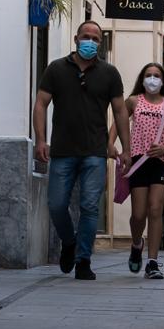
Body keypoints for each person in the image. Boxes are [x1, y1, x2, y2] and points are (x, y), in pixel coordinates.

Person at [33, 20, 131, 281]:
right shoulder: (56, 69)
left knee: (89, 207)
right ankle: (69, 241)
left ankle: (83, 259)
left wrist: (126, 148)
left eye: (96, 38)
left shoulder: (109, 73)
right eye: (86, 36)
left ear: (101, 43)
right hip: (62, 150)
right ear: (76, 39)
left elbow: (120, 111)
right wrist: (40, 140)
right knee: (56, 205)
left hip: (95, 153)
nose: (90, 41)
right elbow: (41, 104)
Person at [108, 63, 164, 279]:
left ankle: (153, 262)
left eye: (156, 75)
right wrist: (111, 144)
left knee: (155, 209)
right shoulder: (133, 101)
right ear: (142, 78)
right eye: (148, 75)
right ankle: (137, 243)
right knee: (138, 213)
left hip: (161, 161)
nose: (152, 79)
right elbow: (118, 121)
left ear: (163, 80)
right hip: (137, 160)